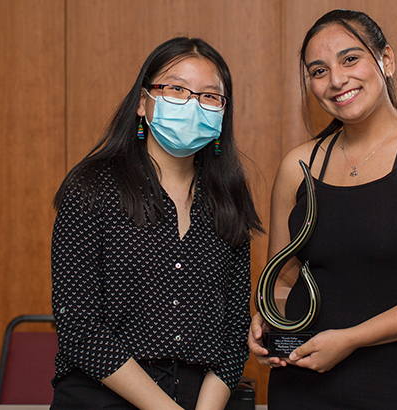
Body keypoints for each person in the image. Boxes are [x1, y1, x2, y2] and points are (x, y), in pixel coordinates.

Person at [247, 9, 397, 409]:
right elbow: (283, 283)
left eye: (350, 58)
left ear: (386, 60)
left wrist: (352, 338)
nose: (336, 80)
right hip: (301, 391)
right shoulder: (298, 166)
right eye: (318, 71)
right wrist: (266, 320)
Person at [50, 37, 263, 410]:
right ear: (142, 102)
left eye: (209, 97)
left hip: (203, 400)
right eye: (177, 89)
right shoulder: (92, 187)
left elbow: (233, 331)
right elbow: (79, 326)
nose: (193, 105)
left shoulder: (228, 198)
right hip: (103, 396)